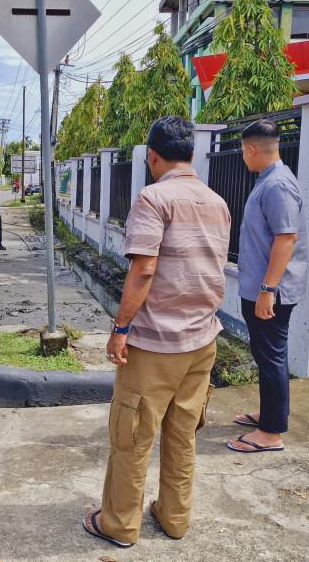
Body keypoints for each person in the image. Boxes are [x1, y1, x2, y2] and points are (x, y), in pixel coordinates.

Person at [83, 117, 231, 549]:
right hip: (202, 341)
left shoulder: (153, 198)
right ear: (191, 154)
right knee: (183, 435)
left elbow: (144, 269)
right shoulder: (218, 202)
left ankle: (119, 524)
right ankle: (174, 517)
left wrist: (120, 328)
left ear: (153, 156)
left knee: (131, 437)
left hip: (155, 344)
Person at [228, 119, 308, 454]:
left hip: (271, 292)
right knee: (265, 355)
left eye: (244, 153)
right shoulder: (270, 180)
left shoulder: (277, 185)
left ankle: (272, 432)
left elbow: (286, 238)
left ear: (251, 149)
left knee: (272, 356)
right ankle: (271, 414)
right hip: (264, 288)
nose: (244, 159)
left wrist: (267, 289)